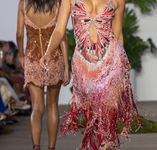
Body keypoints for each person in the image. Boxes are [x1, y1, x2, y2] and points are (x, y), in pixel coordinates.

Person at [40, 0, 141, 149]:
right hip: (84, 67)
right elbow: (60, 29)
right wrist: (48, 52)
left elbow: (118, 33)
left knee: (106, 120)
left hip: (111, 61)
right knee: (92, 122)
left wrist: (122, 63)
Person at [16, 0, 70, 150]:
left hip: (32, 60)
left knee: (36, 108)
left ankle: (36, 146)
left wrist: (22, 57)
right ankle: (51, 148)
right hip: (54, 59)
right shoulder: (57, 4)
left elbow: (20, 35)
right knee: (52, 106)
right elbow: (63, 36)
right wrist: (66, 66)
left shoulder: (24, 4)